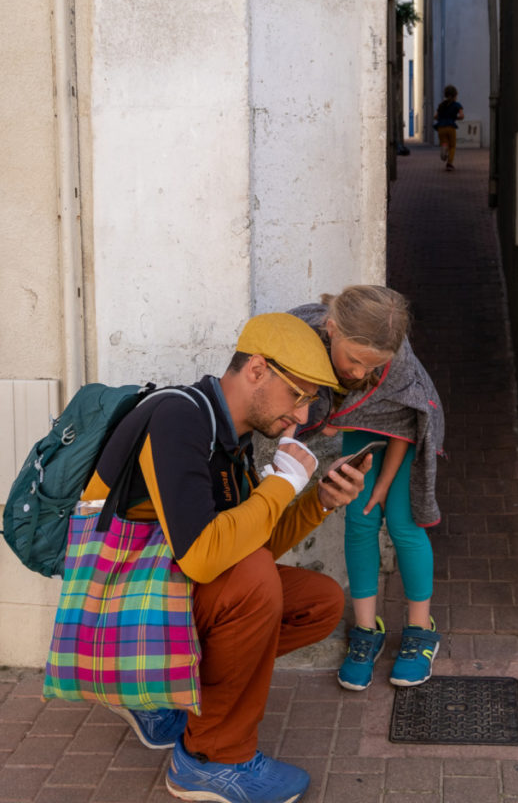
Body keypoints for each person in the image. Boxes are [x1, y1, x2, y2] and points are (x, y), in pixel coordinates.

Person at [81, 312, 369, 803]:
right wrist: (279, 486)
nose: (302, 417)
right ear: (256, 369)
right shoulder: (178, 418)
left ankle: (168, 694)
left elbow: (250, 547)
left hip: (163, 594)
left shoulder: (230, 437)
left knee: (318, 601)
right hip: (116, 610)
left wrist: (318, 501)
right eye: (298, 396)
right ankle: (212, 760)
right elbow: (203, 559)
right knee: (255, 586)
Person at [289, 286, 445, 693]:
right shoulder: (303, 336)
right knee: (359, 520)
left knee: (404, 523)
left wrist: (386, 484)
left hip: (398, 442)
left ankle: (419, 628)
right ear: (332, 329)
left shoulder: (400, 372)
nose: (359, 373)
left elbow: (404, 422)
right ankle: (365, 630)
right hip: (359, 434)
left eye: (371, 366)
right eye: (354, 361)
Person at [433, 84, 464, 172]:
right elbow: (462, 116)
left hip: (441, 127)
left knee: (444, 143)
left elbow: (435, 116)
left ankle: (443, 148)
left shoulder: (441, 105)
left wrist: (442, 118)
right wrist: (454, 118)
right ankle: (449, 164)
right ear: (455, 95)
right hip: (450, 127)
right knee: (452, 146)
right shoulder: (457, 105)